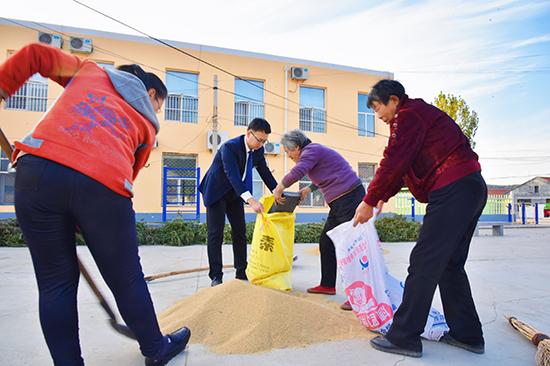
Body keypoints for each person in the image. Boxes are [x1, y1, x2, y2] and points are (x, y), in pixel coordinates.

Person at [0, 43, 190, 366]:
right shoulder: (146, 124)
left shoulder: (88, 73)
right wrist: (86, 215)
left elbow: (35, 54)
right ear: (152, 93)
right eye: (159, 104)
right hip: (102, 184)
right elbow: (125, 178)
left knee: (54, 282)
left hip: (36, 172)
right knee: (126, 278)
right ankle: (156, 348)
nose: (156, 110)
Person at [353, 80, 486, 358]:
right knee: (450, 264)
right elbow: (404, 167)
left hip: (453, 189)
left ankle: (404, 337)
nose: (378, 116)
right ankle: (467, 335)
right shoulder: (420, 116)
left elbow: (395, 159)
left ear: (393, 100)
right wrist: (381, 195)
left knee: (424, 262)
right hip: (470, 187)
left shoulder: (408, 116)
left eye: (378, 108)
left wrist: (367, 200)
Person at [273, 129, 366, 310]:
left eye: (289, 152)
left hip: (350, 199)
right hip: (339, 202)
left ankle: (359, 296)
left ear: (297, 147)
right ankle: (328, 285)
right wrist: (308, 190)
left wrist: (280, 187)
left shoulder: (311, 151)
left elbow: (299, 171)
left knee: (351, 247)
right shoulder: (314, 153)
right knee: (326, 241)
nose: (289, 156)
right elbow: (324, 175)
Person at [199, 118, 278, 287]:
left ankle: (241, 272)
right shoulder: (229, 147)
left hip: (235, 195)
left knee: (240, 232)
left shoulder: (258, 150)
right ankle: (216, 276)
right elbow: (232, 175)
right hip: (216, 192)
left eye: (264, 141)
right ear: (249, 133)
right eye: (259, 140)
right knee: (216, 234)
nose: (261, 144)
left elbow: (264, 172)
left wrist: (278, 191)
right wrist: (251, 200)